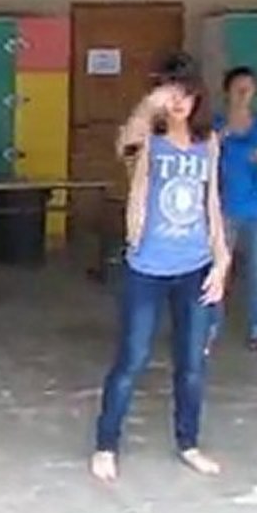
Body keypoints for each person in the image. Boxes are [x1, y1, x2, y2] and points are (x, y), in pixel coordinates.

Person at [90, 58, 230, 483]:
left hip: (195, 266)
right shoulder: (148, 140)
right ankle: (106, 444)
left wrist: (222, 262)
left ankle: (188, 442)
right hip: (147, 267)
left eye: (187, 92)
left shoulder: (208, 142)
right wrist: (150, 102)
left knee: (192, 365)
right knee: (131, 359)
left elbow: (212, 206)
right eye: (173, 92)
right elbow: (123, 143)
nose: (180, 101)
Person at [207, 66, 257, 356]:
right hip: (224, 208)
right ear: (227, 91)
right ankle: (210, 330)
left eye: (248, 88)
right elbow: (204, 159)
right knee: (218, 271)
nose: (243, 93)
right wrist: (221, 135)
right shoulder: (216, 125)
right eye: (238, 88)